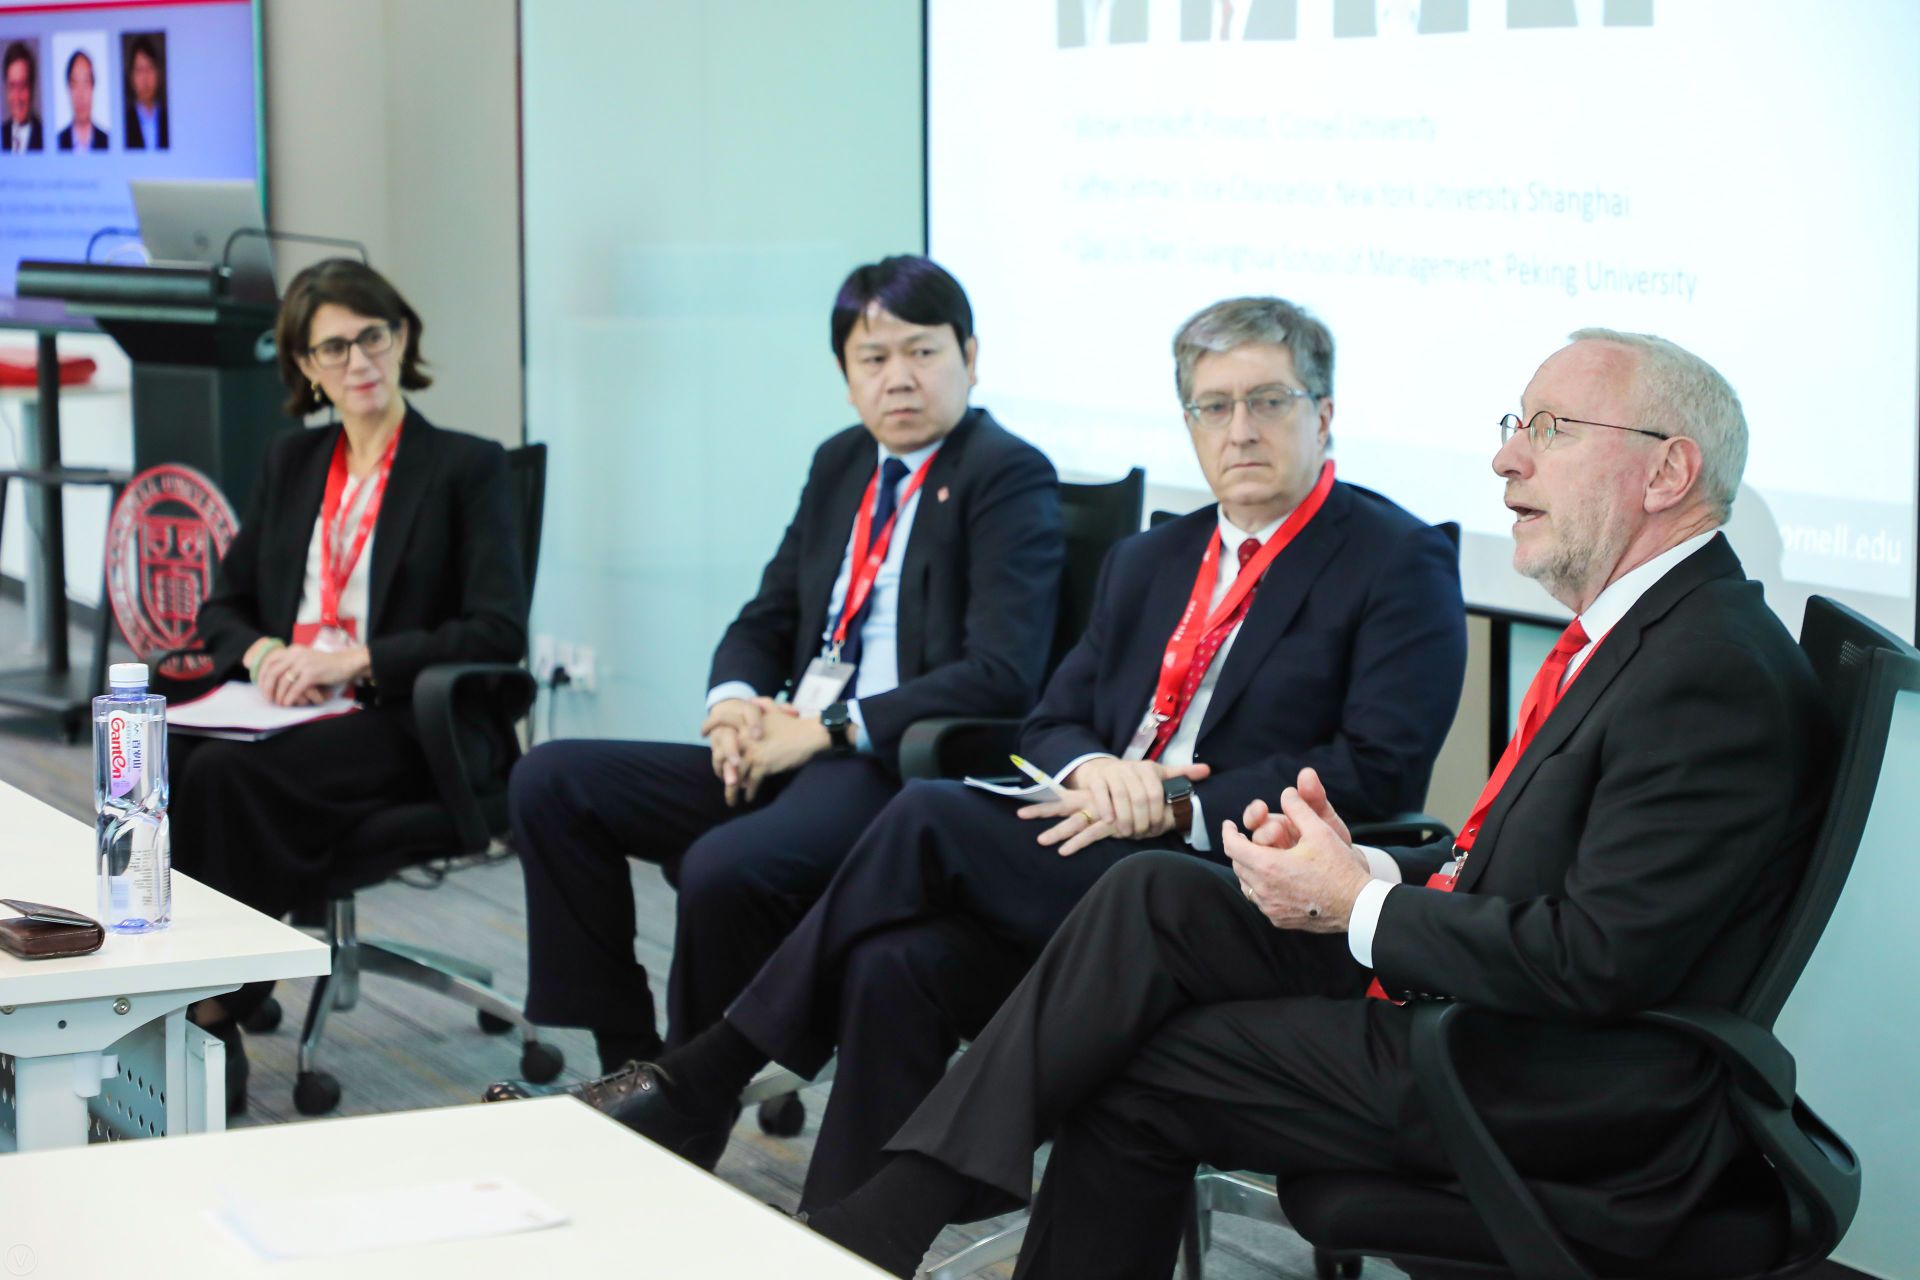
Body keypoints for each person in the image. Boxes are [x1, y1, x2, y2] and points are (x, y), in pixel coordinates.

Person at [794, 328, 1836, 1279]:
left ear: (1668, 469)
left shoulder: (1710, 671)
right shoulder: (1653, 638)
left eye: (1549, 430)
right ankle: (898, 1206)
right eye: (1514, 428)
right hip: (1491, 1003)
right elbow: (1531, 880)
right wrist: (1365, 870)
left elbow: (1599, 957)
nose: (1507, 459)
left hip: (1549, 1071)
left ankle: (890, 1213)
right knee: (1156, 891)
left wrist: (1362, 904)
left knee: (1131, 1065)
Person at [494, 296, 1470, 1206]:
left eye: (1268, 400)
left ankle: (701, 1076)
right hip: (1084, 847)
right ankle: (847, 1238)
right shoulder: (1152, 556)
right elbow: (1051, 718)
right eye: (1212, 406)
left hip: (1224, 892)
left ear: (1326, 411)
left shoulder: (1395, 558)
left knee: (922, 810)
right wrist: (1096, 770)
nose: (1241, 429)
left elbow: (1380, 768)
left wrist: (1174, 803)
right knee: (892, 959)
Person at [502, 255, 1065, 1083]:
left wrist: (824, 730)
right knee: (552, 780)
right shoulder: (843, 462)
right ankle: (627, 1057)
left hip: (892, 766)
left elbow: (1000, 673)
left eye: (923, 352)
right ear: (846, 378)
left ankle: (688, 1098)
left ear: (970, 358)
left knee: (725, 867)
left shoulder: (1004, 475)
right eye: (873, 360)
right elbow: (765, 617)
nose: (899, 379)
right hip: (788, 743)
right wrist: (732, 706)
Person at [170, 258, 528, 1112]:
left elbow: (495, 631)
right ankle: (206, 982)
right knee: (166, 752)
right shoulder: (293, 463)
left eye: (373, 335)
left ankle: (215, 1007)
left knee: (223, 777)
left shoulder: (465, 468)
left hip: (403, 715)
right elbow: (223, 609)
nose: (358, 360)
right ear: (305, 366)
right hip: (286, 705)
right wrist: (263, 657)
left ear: (402, 339)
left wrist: (352, 660)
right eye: (333, 347)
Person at [56, 49, 107, 151]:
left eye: (86, 82)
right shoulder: (58, 142)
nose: (81, 95)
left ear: (93, 87)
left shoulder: (107, 142)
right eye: (75, 84)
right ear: (68, 89)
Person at [122, 35, 167, 150]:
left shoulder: (169, 119)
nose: (145, 78)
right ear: (131, 77)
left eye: (150, 68)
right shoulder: (124, 122)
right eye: (139, 70)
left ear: (159, 74)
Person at [3, 42, 42, 153]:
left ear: (32, 86)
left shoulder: (45, 136)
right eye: (12, 86)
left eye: (23, 85)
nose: (17, 96)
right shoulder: (2, 133)